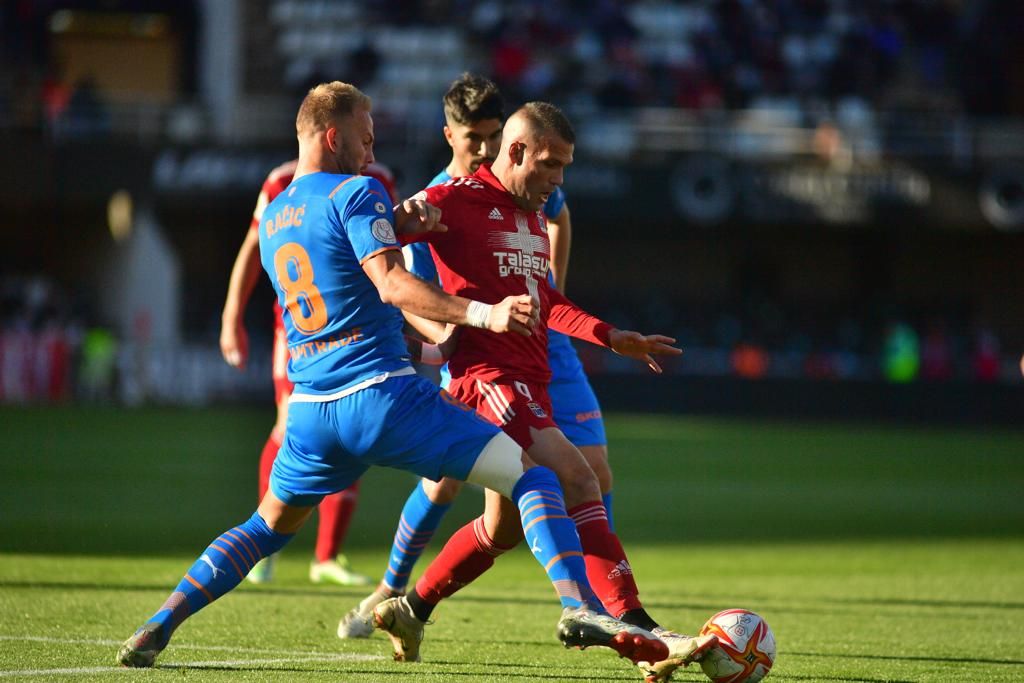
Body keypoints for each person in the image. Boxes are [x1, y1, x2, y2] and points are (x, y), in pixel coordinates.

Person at [116, 81, 669, 671]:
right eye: (366, 133)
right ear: (335, 136)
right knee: (534, 478)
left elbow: (339, 269)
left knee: (264, 525)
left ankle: (160, 622)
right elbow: (390, 284)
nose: (373, 144)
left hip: (310, 409)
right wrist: (482, 312)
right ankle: (578, 607)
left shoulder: (277, 213)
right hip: (380, 395)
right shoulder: (360, 191)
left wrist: (399, 228)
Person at [354, 101, 718, 681]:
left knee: (499, 530)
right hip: (486, 381)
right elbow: (370, 248)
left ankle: (411, 608)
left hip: (532, 381)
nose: (558, 179)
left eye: (565, 167)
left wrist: (611, 336)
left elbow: (547, 300)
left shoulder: (529, 214)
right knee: (578, 475)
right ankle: (635, 625)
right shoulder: (453, 202)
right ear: (517, 152)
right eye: (550, 164)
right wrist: (400, 222)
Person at [341, 72, 616, 638]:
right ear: (450, 136)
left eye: (494, 135)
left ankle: (600, 603)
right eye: (475, 139)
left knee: (590, 478)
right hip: (477, 353)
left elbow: (557, 217)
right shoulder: (440, 201)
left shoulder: (530, 181)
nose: (486, 149)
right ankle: (394, 586)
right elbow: (398, 281)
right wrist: (440, 333)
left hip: (546, 349)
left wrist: (549, 285)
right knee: (453, 484)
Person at [220, 159, 398, 587]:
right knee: (288, 427)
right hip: (301, 333)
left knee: (354, 435)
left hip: (356, 332)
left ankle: (326, 556)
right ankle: (263, 544)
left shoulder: (380, 179)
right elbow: (251, 247)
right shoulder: (281, 179)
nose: (369, 143)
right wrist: (232, 317)